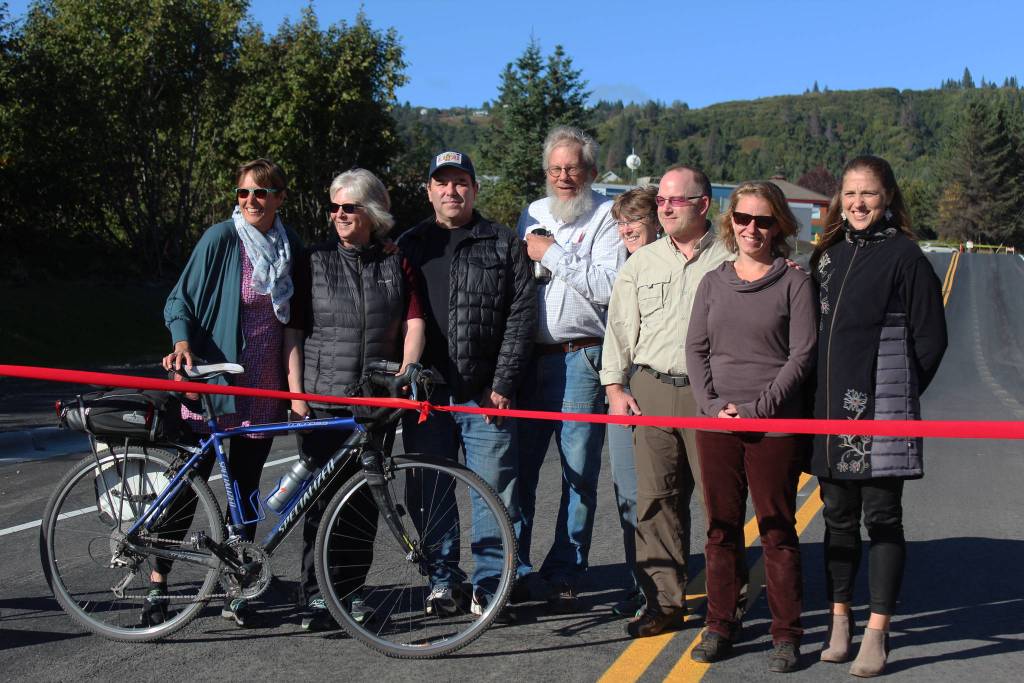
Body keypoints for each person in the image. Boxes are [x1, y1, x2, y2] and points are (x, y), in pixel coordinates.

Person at [153, 158, 304, 628]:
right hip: (217, 381)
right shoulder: (223, 238)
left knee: (245, 486)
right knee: (188, 481)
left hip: (264, 385)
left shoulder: (291, 247)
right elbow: (180, 299)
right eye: (243, 193)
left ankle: (240, 581)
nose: (251, 201)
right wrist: (181, 344)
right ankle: (159, 582)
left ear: (280, 197)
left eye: (261, 193)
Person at [811, 155, 946, 677]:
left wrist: (898, 395)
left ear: (887, 197)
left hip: (881, 411)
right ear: (838, 200)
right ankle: (840, 620)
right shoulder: (827, 255)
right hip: (829, 413)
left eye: (868, 194)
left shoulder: (906, 256)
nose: (858, 204)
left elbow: (931, 340)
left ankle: (877, 631)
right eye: (849, 194)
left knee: (883, 519)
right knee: (837, 520)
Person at [684, 181, 816, 672]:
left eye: (763, 220)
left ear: (779, 225)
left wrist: (762, 407)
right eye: (743, 218)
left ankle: (786, 633)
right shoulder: (714, 282)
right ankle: (720, 623)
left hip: (774, 426)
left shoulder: (794, 282)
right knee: (720, 529)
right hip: (716, 423)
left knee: (777, 530)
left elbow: (801, 354)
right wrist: (711, 404)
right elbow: (696, 349)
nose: (751, 229)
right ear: (730, 221)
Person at [397, 150, 535, 617]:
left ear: (474, 189)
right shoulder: (409, 243)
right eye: (442, 183)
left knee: (495, 491)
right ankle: (443, 580)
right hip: (428, 394)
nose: (451, 191)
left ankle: (492, 582)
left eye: (461, 183)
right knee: (429, 490)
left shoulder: (500, 241)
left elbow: (521, 315)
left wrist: (503, 381)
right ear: (430, 190)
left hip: (485, 391)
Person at [288, 168, 426, 630]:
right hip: (323, 398)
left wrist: (406, 374)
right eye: (335, 207)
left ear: (371, 213)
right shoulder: (312, 260)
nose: (340, 215)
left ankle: (349, 592)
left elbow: (413, 321)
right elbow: (295, 329)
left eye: (349, 207)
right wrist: (296, 393)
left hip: (374, 404)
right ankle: (314, 596)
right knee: (321, 502)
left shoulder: (395, 261)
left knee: (366, 501)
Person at [601, 164, 733, 638]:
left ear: (704, 204)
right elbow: (619, 329)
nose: (667, 207)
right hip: (651, 390)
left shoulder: (732, 257)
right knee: (655, 503)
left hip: (710, 395)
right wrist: (615, 389)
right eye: (662, 200)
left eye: (677, 200)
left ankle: (724, 605)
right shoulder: (643, 262)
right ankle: (664, 604)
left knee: (721, 504)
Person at [515, 125, 626, 612]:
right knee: (517, 470)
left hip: (583, 356)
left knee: (579, 473)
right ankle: (511, 567)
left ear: (591, 172)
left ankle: (565, 568)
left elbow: (609, 286)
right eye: (555, 169)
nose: (563, 176)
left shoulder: (606, 214)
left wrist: (552, 254)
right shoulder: (533, 212)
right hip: (529, 359)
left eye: (572, 168)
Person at [605, 186, 660, 618]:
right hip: (625, 390)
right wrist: (615, 389)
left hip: (670, 392)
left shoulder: (680, 264)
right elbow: (617, 336)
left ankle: (667, 586)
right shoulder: (622, 267)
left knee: (663, 495)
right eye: (621, 221)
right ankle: (639, 586)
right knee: (629, 495)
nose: (626, 228)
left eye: (635, 219)